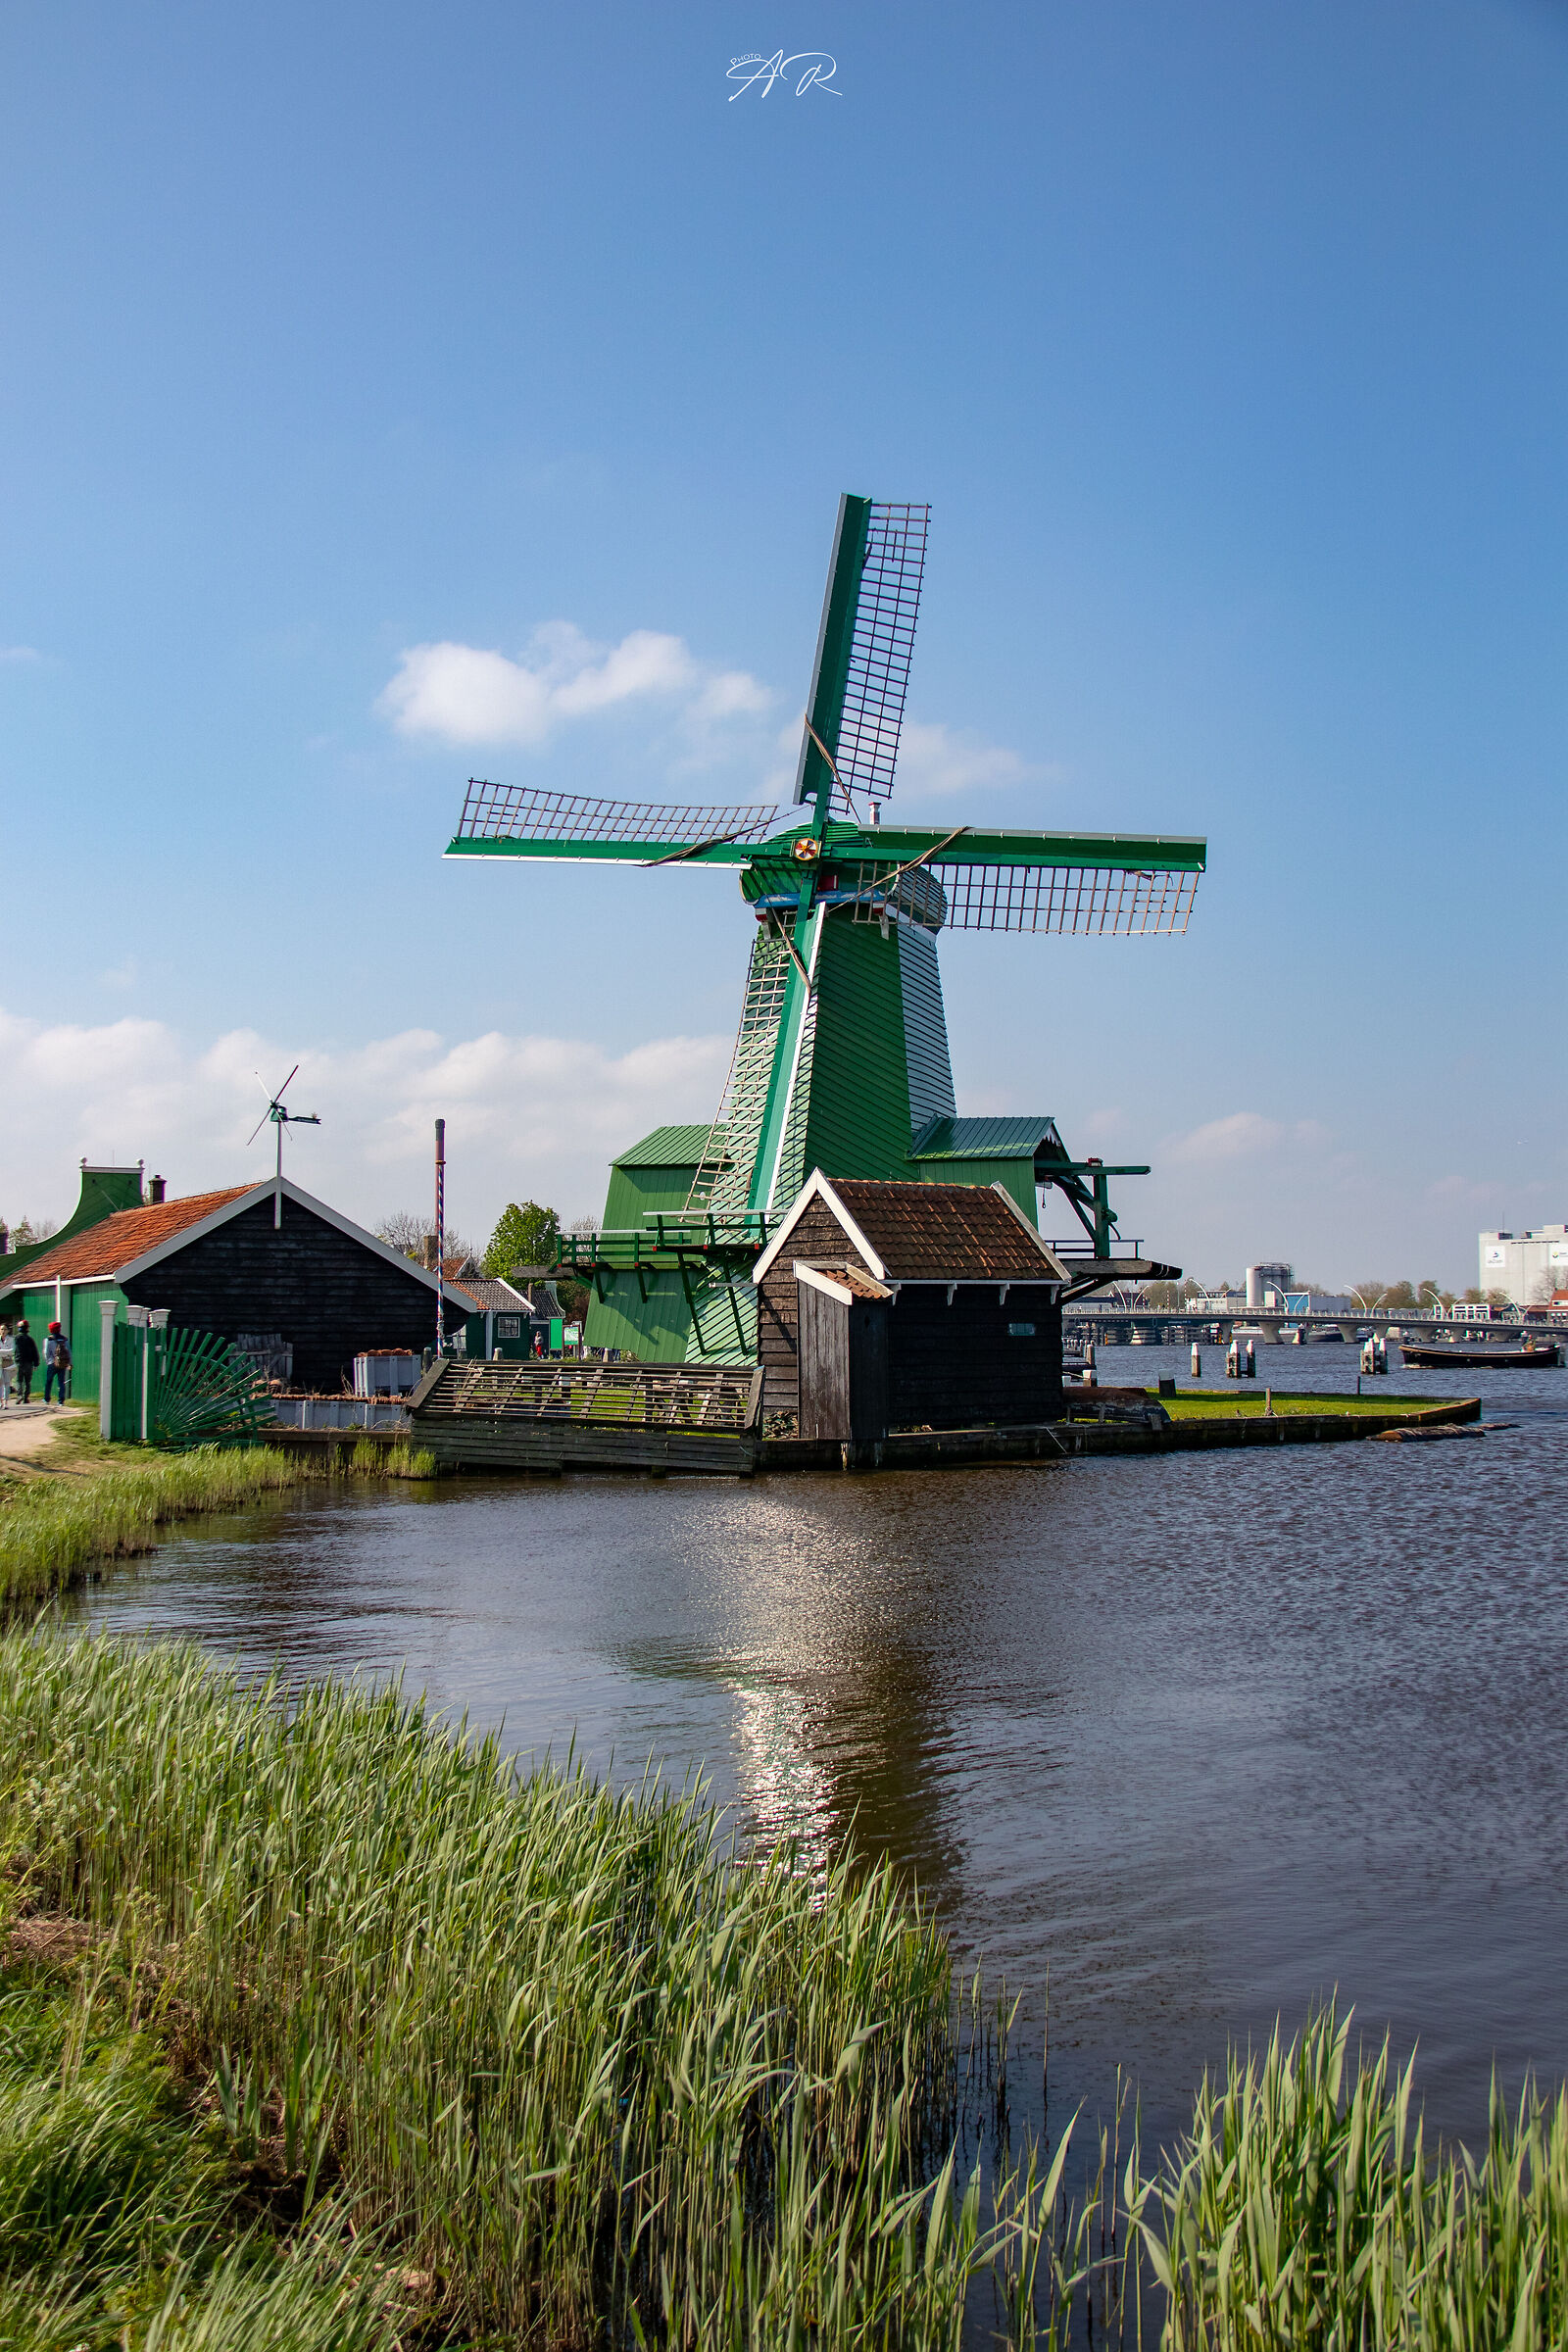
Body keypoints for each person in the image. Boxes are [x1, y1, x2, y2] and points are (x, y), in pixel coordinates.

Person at [44, 1322, 72, 1405]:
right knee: (61, 1382)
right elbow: (69, 1352)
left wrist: (48, 1361)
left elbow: (46, 1352)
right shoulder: (65, 1339)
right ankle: (61, 1401)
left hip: (52, 1363)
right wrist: (69, 1363)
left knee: (49, 1381)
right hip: (62, 1363)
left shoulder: (48, 1339)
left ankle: (47, 1399)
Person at [14, 1320, 38, 1404]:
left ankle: (19, 1395)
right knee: (27, 1381)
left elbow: (14, 1350)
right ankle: (26, 1397)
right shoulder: (30, 1339)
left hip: (19, 1362)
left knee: (19, 1380)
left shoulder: (16, 1338)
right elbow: (35, 1351)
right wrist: (36, 1363)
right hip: (29, 1363)